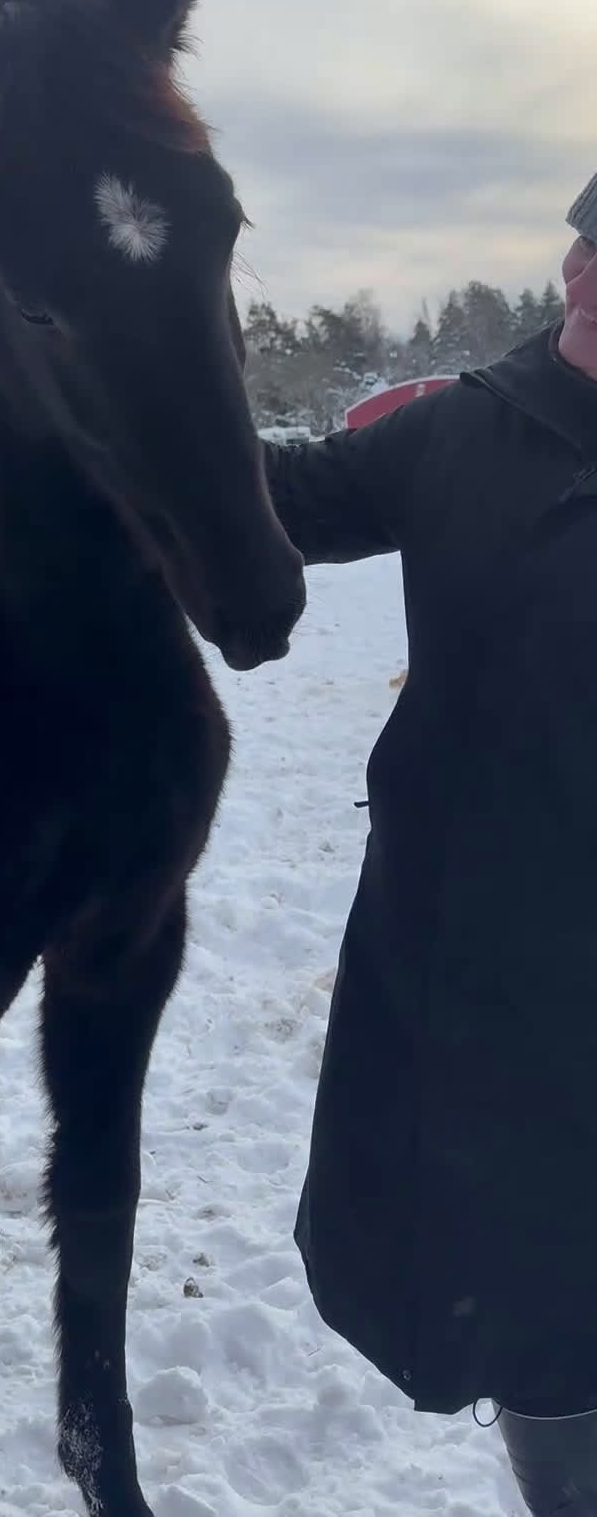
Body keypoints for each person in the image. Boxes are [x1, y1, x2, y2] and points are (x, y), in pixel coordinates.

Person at [262, 171, 597, 1516]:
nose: (583, 268)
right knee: (533, 1311)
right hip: (473, 983)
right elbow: (286, 498)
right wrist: (111, 427)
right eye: (586, 236)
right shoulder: (467, 434)